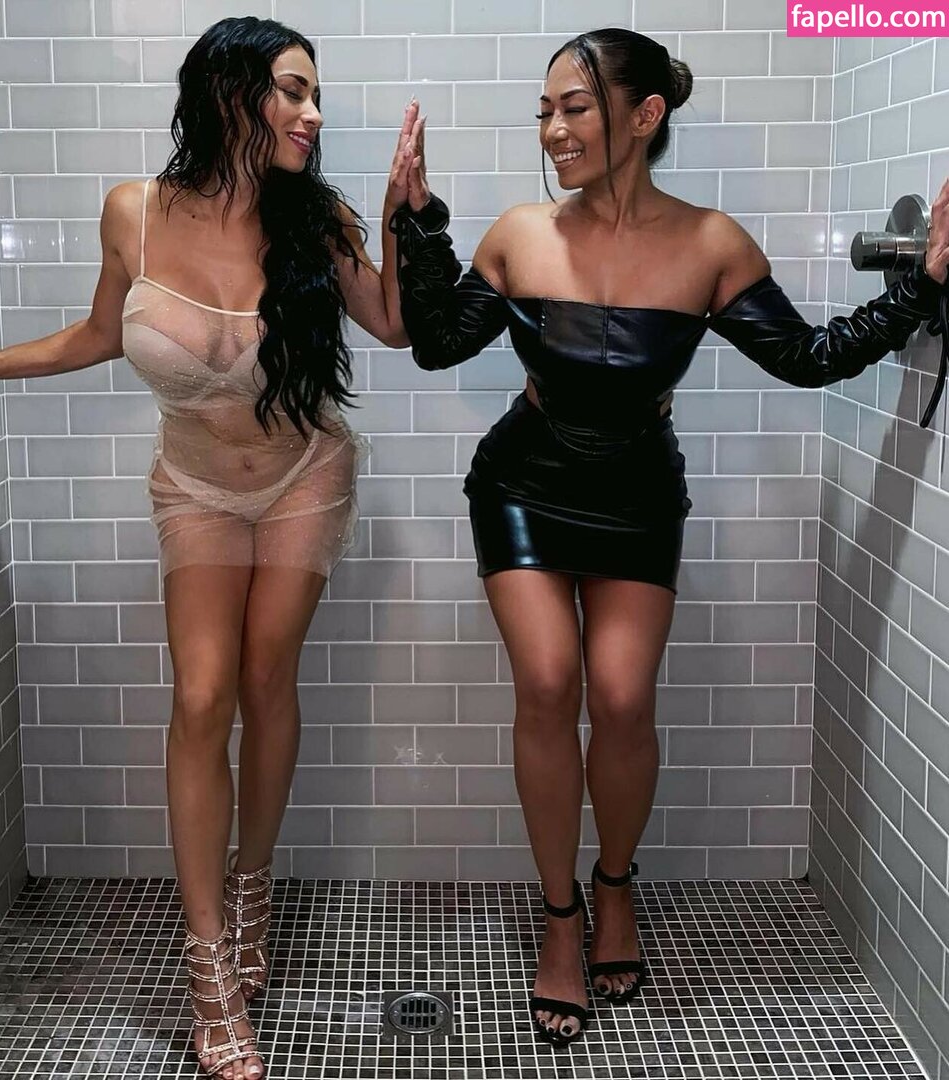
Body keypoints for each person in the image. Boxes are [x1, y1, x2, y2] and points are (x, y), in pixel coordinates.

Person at [387, 26, 948, 1049]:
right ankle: (559, 918)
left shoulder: (709, 244)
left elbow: (807, 357)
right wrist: (419, 223)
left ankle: (614, 888)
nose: (552, 130)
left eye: (574, 108)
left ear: (643, 116)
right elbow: (435, 344)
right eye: (545, 111)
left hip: (639, 495)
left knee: (620, 699)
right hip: (521, 485)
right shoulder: (518, 233)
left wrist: (922, 286)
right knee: (548, 683)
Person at [0, 17, 416, 1080]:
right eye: (292, 89)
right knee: (200, 697)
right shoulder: (132, 213)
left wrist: (396, 216)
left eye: (314, 93)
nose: (312, 112)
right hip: (194, 485)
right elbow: (100, 334)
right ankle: (207, 968)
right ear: (230, 94)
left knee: (265, 678)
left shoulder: (315, 217)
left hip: (303, 474)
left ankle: (254, 888)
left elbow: (393, 324)